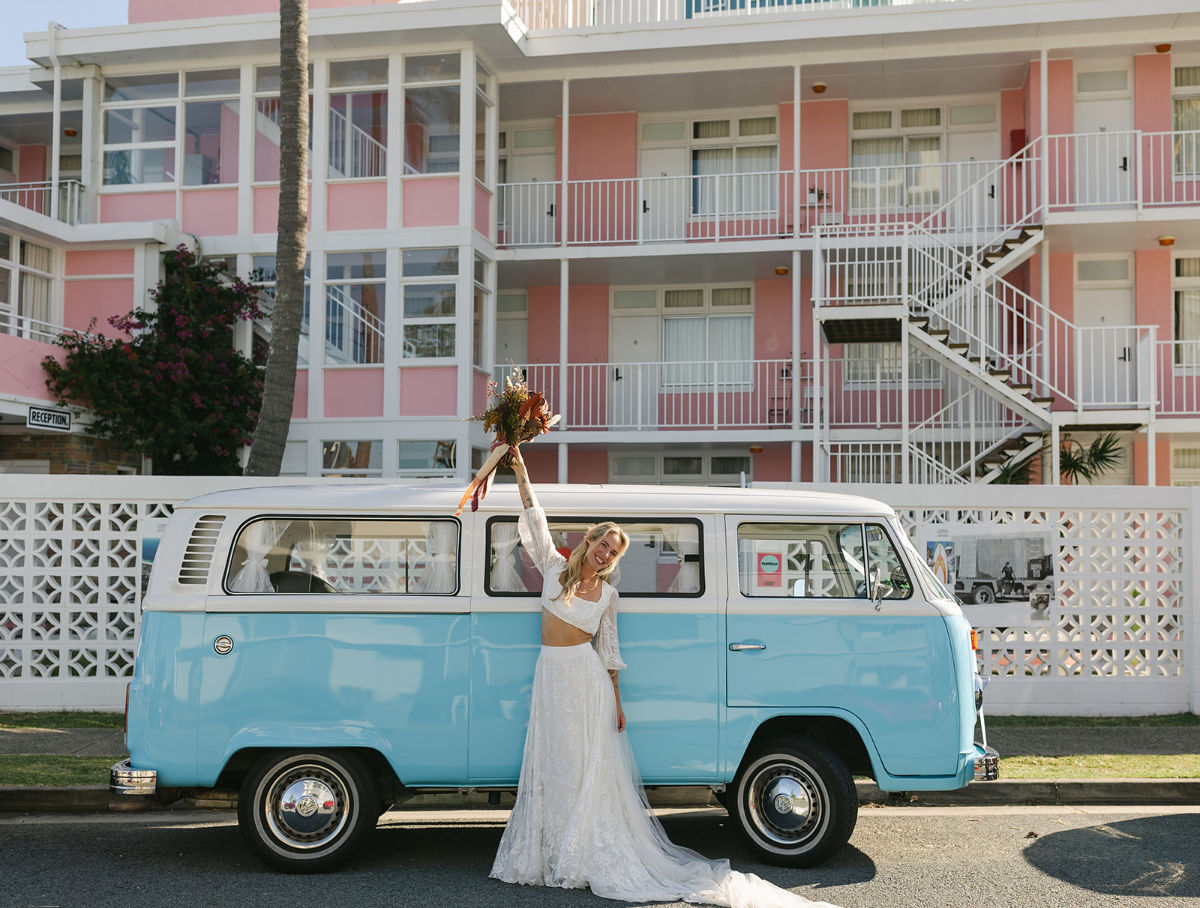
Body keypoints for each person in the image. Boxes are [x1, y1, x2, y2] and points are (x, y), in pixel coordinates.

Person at [490, 446, 841, 908]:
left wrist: (615, 703)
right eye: (603, 546)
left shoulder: (608, 594)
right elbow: (534, 520)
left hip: (585, 680)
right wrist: (520, 469)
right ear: (589, 541)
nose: (605, 555)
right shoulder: (555, 568)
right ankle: (552, 850)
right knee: (553, 761)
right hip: (550, 676)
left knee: (582, 768)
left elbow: (609, 653)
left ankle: (577, 855)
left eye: (613, 553)